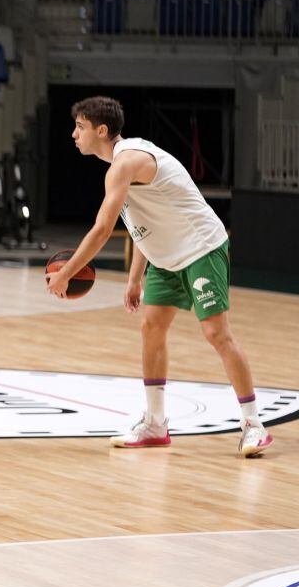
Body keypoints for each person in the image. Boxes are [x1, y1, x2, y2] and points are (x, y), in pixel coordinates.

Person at [47, 96, 272, 457]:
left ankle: (253, 424)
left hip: (201, 248)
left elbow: (103, 229)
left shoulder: (126, 162)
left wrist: (65, 274)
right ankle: (155, 422)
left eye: (80, 127)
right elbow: (142, 223)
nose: (74, 134)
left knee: (216, 333)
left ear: (101, 130)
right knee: (152, 328)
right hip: (164, 257)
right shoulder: (119, 166)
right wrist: (136, 277)